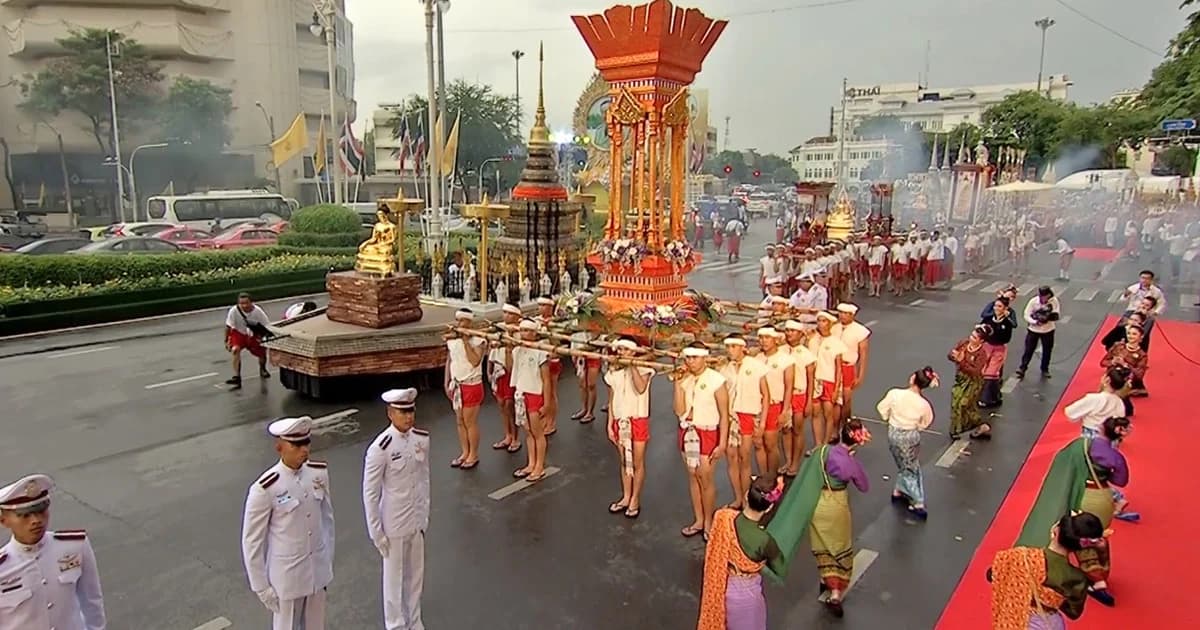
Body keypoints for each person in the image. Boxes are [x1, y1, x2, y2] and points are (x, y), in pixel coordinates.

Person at [1015, 420, 1131, 608]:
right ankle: (1102, 572)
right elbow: (1121, 480)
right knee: (1097, 534)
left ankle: (1095, 579)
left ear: (1101, 428)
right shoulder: (1115, 456)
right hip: (1104, 498)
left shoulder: (1080, 447)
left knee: (1081, 535)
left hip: (1085, 496)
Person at [241, 416, 335, 630]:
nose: (304, 450)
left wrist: (326, 559)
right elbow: (252, 541)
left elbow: (327, 521)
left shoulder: (318, 474)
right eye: (296, 445)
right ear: (280, 447)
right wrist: (261, 586)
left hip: (317, 572)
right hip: (288, 579)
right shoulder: (266, 488)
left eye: (306, 443)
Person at [0, 474, 106, 630]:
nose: (36, 520)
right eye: (25, 515)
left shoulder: (75, 546)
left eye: (41, 511)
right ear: (4, 521)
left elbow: (92, 601)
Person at [363, 389, 430, 630]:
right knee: (394, 578)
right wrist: (376, 532)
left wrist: (424, 515)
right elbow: (370, 493)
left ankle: (414, 620)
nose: (408, 416)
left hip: (415, 519)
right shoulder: (381, 448)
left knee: (416, 576)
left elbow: (424, 479)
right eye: (402, 412)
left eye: (411, 411)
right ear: (390, 413)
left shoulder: (421, 439)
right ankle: (395, 624)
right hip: (393, 521)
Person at [696, 477, 786, 630]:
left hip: (723, 588)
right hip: (746, 598)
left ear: (746, 496)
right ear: (769, 508)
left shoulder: (723, 517)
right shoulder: (764, 540)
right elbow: (780, 568)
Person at [988, 512, 1101, 628]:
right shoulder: (1077, 578)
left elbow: (992, 574)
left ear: (1055, 531)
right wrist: (1051, 597)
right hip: (1049, 624)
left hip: (1015, 618)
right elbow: (1074, 613)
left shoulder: (1021, 557)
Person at [673, 343, 730, 540]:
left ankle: (708, 522)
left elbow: (724, 414)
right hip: (687, 430)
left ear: (704, 358)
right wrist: (677, 384)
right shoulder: (685, 379)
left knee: (706, 479)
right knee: (693, 476)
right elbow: (679, 410)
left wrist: (722, 442)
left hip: (707, 431)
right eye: (688, 358)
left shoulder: (717, 380)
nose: (691, 362)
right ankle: (698, 520)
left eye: (694, 358)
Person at [604, 337, 655, 519]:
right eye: (620, 349)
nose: (621, 353)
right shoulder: (613, 371)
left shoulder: (645, 368)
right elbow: (611, 398)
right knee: (625, 461)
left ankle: (635, 498)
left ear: (633, 351)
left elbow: (641, 388)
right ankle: (626, 496)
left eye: (626, 349)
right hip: (620, 419)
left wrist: (632, 364)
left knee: (637, 461)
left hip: (638, 419)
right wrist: (610, 423)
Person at [878, 367, 936, 519]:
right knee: (910, 465)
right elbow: (927, 421)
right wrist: (916, 427)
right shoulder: (924, 404)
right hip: (911, 435)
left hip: (895, 433)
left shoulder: (895, 394)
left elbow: (881, 408)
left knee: (906, 466)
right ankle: (906, 493)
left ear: (912, 378)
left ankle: (914, 499)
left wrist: (889, 417)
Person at [720, 334, 769, 511]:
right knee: (732, 458)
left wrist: (762, 423)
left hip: (748, 415)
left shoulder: (756, 366)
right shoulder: (725, 369)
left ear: (743, 347)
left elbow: (766, 395)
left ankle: (748, 496)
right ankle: (738, 497)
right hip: (731, 416)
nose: (730, 350)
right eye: (728, 347)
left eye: (734, 346)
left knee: (744, 457)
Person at [509, 318, 553, 482]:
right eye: (522, 330)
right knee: (528, 432)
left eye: (528, 331)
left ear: (535, 333)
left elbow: (546, 380)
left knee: (537, 432)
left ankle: (539, 466)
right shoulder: (517, 350)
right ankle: (531, 463)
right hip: (522, 393)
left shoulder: (541, 352)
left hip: (535, 394)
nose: (524, 334)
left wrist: (547, 403)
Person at [445, 308, 485, 470]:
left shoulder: (478, 340)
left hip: (471, 384)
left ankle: (473, 454)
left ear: (469, 322)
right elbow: (449, 360)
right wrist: (446, 381)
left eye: (462, 320)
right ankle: (465, 452)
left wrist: (466, 341)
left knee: (470, 422)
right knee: (460, 421)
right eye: (458, 320)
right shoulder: (452, 339)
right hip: (457, 384)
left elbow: (475, 361)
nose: (459, 323)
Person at [755, 327, 794, 478]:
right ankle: (763, 476)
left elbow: (789, 387)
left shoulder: (786, 360)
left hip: (775, 405)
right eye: (761, 338)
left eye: (767, 338)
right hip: (757, 406)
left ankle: (773, 477)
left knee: (771, 443)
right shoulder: (757, 359)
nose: (763, 341)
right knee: (759, 443)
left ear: (776, 340)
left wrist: (785, 411)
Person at [780, 321, 816, 477]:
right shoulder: (781, 351)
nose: (789, 334)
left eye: (793, 331)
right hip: (783, 395)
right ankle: (788, 460)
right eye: (787, 330)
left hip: (799, 394)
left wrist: (809, 401)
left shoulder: (807, 355)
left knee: (797, 430)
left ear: (800, 334)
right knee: (785, 430)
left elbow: (811, 380)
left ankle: (795, 463)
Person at [808, 312, 849, 450]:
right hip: (815, 381)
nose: (820, 324)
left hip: (829, 381)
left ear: (830, 324)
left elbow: (839, 368)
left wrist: (836, 389)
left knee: (828, 414)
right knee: (815, 413)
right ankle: (818, 444)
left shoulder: (836, 343)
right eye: (819, 321)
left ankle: (826, 444)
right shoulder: (813, 340)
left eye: (824, 321)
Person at [488, 304, 523, 453]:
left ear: (517, 316)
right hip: (499, 371)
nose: (506, 316)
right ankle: (507, 435)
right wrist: (489, 371)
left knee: (510, 405)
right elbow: (491, 352)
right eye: (504, 313)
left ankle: (515, 437)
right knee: (502, 405)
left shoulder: (520, 333)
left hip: (512, 372)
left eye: (509, 313)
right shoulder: (499, 329)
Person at [949, 325, 991, 439]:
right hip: (961, 378)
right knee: (955, 403)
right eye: (972, 335)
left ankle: (977, 425)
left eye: (975, 338)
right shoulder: (964, 343)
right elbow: (951, 355)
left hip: (973, 381)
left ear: (981, 341)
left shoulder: (981, 354)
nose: (971, 339)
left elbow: (975, 371)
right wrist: (953, 356)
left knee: (964, 404)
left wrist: (961, 361)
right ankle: (955, 430)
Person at [831, 303, 870, 424]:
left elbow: (863, 355)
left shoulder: (861, 331)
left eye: (846, 314)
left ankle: (846, 424)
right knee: (834, 399)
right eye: (840, 313)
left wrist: (860, 375)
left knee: (846, 399)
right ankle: (835, 427)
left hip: (848, 367)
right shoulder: (833, 328)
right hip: (832, 367)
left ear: (852, 315)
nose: (842, 316)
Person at [1064, 367, 1129, 438]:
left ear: (1107, 380)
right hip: (1108, 439)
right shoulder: (1120, 403)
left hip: (1090, 437)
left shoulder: (1093, 398)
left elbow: (1070, 412)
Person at [225, 292, 272, 388]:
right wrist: (226, 340)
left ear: (251, 302)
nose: (244, 306)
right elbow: (228, 326)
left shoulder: (258, 311)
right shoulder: (233, 311)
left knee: (261, 352)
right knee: (235, 350)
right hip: (239, 333)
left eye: (246, 303)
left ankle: (262, 368)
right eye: (241, 303)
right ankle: (237, 376)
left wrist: (263, 337)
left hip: (253, 334)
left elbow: (266, 325)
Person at [978, 296, 1017, 408]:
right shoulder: (989, 318)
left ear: (1005, 308)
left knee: (990, 373)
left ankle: (985, 399)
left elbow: (1007, 338)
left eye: (999, 306)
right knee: (985, 372)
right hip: (986, 347)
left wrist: (996, 332)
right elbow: (981, 329)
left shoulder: (1007, 323)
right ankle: (996, 396)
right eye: (995, 306)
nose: (996, 308)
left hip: (999, 349)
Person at [1016, 286, 1061, 379]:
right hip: (1033, 330)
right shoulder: (1033, 301)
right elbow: (1026, 314)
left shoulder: (1054, 301)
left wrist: (1047, 317)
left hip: (1048, 330)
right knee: (1028, 350)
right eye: (1041, 296)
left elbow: (1056, 314)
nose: (1042, 299)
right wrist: (1035, 321)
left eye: (1045, 297)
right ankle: (1022, 368)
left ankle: (1045, 369)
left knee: (1047, 350)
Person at [535, 297, 561, 435]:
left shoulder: (556, 322)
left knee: (551, 392)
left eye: (544, 305)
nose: (541, 308)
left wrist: (549, 327)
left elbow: (557, 342)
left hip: (552, 359)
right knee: (542, 392)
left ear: (550, 307)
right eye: (540, 305)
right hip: (539, 359)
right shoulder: (536, 321)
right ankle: (544, 419)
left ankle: (551, 422)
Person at [1100, 324, 1149, 397]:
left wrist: (1125, 365)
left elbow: (1139, 375)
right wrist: (1113, 362)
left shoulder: (1142, 355)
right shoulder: (1118, 346)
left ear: (1141, 336)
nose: (1130, 336)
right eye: (1129, 333)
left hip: (1127, 381)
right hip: (1111, 378)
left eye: (1134, 334)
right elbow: (1103, 363)